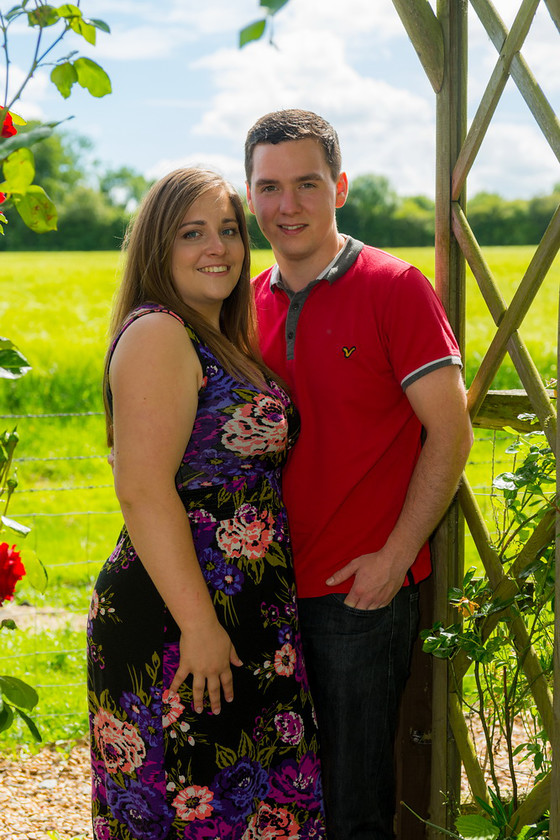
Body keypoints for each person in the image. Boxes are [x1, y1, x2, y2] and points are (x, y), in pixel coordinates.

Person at [244, 109, 474, 840]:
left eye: (307, 184)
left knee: (354, 804)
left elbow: (451, 430)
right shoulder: (241, 302)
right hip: (263, 591)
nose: (288, 206)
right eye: (269, 187)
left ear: (339, 186)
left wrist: (397, 556)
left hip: (358, 596)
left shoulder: (394, 287)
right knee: (271, 789)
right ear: (250, 197)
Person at [87, 167, 326, 840]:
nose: (217, 247)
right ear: (158, 246)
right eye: (193, 233)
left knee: (251, 810)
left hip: (240, 615)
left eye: (228, 230)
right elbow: (141, 488)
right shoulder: (161, 333)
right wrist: (199, 625)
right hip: (179, 620)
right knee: (194, 811)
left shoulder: (217, 337)